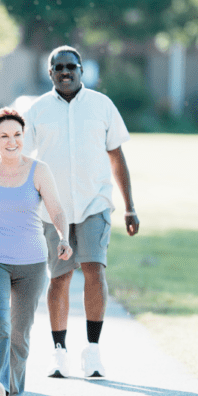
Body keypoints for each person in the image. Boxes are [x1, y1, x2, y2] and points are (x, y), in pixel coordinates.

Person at [23, 45, 140, 379]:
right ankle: (59, 352)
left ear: (81, 70)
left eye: (71, 66)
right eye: (58, 67)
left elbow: (117, 158)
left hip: (94, 203)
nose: (65, 72)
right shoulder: (38, 110)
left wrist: (130, 207)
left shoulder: (102, 106)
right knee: (59, 278)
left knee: (94, 270)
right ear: (50, 73)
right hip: (53, 209)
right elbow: (21, 158)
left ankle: (93, 351)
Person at [0, 108, 72, 396]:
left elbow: (57, 210)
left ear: (25, 137)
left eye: (18, 135)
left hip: (32, 264)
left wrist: (63, 236)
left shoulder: (39, 170)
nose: (12, 141)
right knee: (0, 324)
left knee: (20, 330)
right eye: (5, 136)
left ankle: (15, 395)